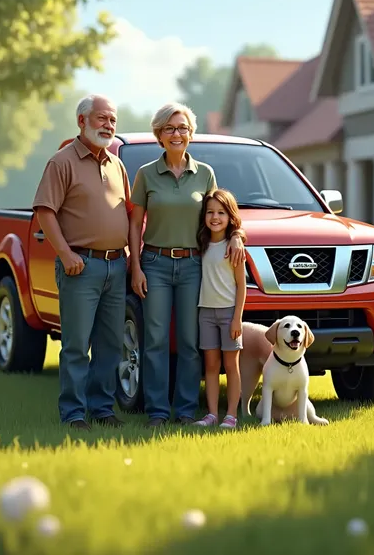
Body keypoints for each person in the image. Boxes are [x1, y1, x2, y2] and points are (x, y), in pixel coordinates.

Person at [129, 102, 245, 428]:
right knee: (154, 339)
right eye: (170, 128)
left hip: (194, 265)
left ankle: (185, 409)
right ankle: (156, 411)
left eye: (182, 128)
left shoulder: (205, 173)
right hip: (154, 264)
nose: (177, 134)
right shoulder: (146, 174)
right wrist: (136, 266)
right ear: (160, 135)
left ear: (190, 134)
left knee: (190, 340)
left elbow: (223, 214)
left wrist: (238, 237)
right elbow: (135, 224)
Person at [33, 95, 130, 431]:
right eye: (102, 118)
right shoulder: (62, 162)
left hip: (117, 267)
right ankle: (73, 413)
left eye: (112, 120)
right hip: (80, 267)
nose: (108, 125)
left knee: (110, 344)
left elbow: (127, 214)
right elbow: (45, 211)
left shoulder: (116, 164)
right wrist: (65, 254)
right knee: (76, 345)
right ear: (82, 121)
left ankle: (101, 409)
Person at [193, 189, 246, 430]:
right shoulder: (201, 244)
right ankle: (212, 414)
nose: (215, 217)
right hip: (206, 313)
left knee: (231, 366)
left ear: (230, 216)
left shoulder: (234, 247)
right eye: (210, 212)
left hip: (228, 314)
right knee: (211, 367)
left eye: (221, 213)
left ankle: (231, 415)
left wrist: (237, 319)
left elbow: (241, 286)